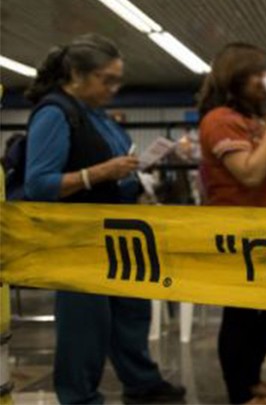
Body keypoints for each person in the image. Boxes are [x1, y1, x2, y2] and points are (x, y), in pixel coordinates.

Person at [23, 33, 185, 405]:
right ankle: (78, 396)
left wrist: (134, 180)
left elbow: (111, 173)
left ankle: (141, 381)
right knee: (86, 324)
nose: (114, 87)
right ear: (77, 75)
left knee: (131, 312)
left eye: (117, 79)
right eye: (106, 79)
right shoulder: (54, 112)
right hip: (78, 238)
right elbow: (38, 184)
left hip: (116, 231)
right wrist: (100, 172)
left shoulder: (95, 115)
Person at [197, 42, 266, 405]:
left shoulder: (253, 121)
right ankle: (240, 391)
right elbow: (249, 174)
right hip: (239, 231)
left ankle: (249, 377)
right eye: (255, 73)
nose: (263, 80)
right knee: (240, 312)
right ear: (234, 77)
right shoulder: (220, 120)